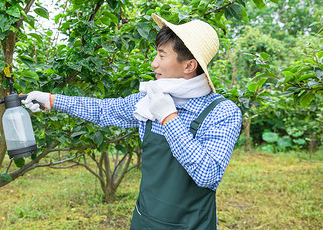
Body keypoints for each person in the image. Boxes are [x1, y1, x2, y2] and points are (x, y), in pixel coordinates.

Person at [23, 13, 242, 229]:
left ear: (189, 66)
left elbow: (208, 174)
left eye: (162, 56)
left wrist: (168, 118)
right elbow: (104, 110)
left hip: (191, 226)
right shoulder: (149, 101)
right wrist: (51, 100)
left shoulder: (222, 112)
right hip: (144, 221)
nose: (153, 63)